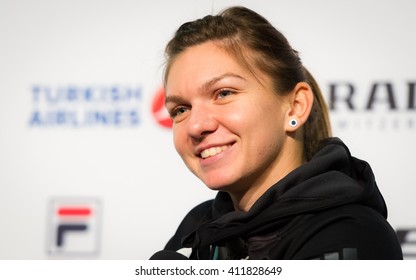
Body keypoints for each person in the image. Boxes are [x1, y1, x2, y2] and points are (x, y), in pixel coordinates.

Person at [159, 6, 403, 260]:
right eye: (180, 109)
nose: (196, 126)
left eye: (224, 93)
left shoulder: (353, 235)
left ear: (295, 107)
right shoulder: (197, 228)